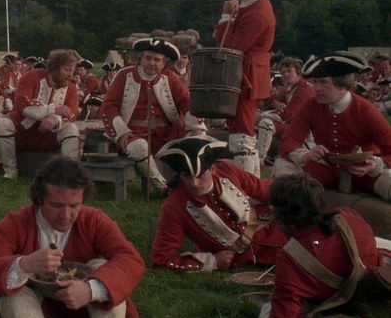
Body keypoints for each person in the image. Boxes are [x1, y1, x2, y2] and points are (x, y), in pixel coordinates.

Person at [0, 157, 144, 318]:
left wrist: (91, 290)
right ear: (39, 199)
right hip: (33, 303)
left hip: (83, 307)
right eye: (56, 205)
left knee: (102, 268)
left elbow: (130, 259)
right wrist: (23, 264)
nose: (65, 215)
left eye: (74, 206)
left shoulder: (93, 221)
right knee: (13, 297)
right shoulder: (15, 223)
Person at [261, 173, 391, 317]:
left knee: (266, 310)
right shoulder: (348, 215)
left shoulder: (290, 258)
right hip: (378, 285)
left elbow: (284, 312)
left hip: (344, 304)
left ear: (284, 216)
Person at [151, 137, 288, 272]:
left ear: (212, 169)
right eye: (187, 176)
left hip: (275, 227)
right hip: (244, 256)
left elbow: (263, 189)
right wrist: (212, 261)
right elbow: (161, 259)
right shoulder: (174, 206)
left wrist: (292, 193)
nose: (194, 184)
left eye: (200, 176)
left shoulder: (226, 169)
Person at [274, 52, 391, 202]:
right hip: (327, 172)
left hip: (365, 174)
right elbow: (289, 140)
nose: (316, 88)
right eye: (315, 82)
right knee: (282, 166)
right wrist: (305, 155)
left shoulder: (366, 110)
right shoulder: (311, 105)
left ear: (342, 84)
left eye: (323, 83)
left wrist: (373, 165)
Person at [100, 38, 205, 193]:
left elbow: (186, 101)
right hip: (133, 134)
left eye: (157, 60)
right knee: (139, 147)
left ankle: (194, 182)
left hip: (166, 134)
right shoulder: (124, 75)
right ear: (140, 58)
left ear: (164, 63)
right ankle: (163, 187)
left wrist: (195, 127)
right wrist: (121, 132)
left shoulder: (169, 77)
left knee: (198, 137)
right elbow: (108, 107)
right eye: (148, 58)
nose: (151, 63)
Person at [212, 0, 276, 176]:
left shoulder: (257, 13)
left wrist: (225, 17)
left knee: (242, 134)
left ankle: (246, 185)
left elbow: (230, 47)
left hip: (247, 75)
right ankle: (251, 182)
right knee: (240, 130)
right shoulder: (248, 4)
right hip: (244, 73)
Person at [0, 49, 82, 181]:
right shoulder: (30, 77)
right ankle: (10, 172)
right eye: (67, 70)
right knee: (2, 124)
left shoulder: (71, 87)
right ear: (54, 68)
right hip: (22, 133)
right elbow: (23, 104)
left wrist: (55, 119)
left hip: (48, 136)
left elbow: (72, 113)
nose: (70, 74)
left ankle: (69, 176)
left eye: (72, 70)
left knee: (71, 129)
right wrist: (53, 110)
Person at [254, 57, 314, 165]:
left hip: (304, 131)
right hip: (294, 125)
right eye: (283, 72)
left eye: (289, 71)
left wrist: (262, 115)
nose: (286, 74)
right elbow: (272, 100)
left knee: (266, 124)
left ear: (298, 71)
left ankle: (259, 159)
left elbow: (287, 116)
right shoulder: (292, 88)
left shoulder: (303, 90)